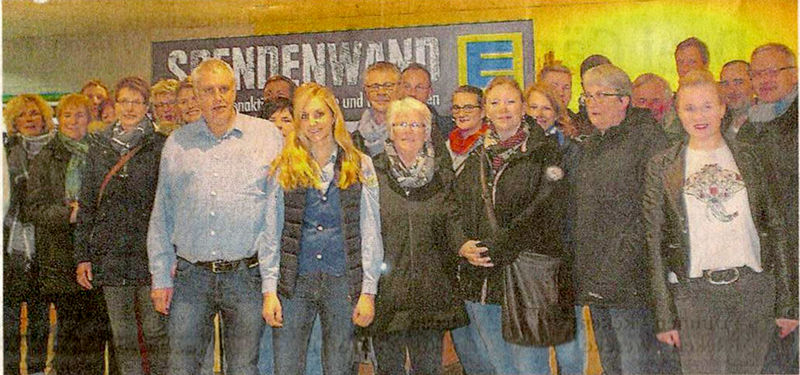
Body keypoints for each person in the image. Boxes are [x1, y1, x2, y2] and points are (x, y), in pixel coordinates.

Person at [645, 69, 798, 373]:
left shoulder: (752, 157)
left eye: (707, 106)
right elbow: (654, 242)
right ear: (678, 111)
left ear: (721, 108)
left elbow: (777, 230)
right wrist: (664, 317)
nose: (699, 115)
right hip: (694, 296)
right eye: (689, 108)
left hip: (752, 291)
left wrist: (788, 303)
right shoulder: (662, 166)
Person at [148, 59, 282, 375]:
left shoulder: (266, 136)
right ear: (195, 95)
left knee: (244, 367)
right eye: (208, 91)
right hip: (191, 278)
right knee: (182, 366)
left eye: (225, 89)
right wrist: (160, 276)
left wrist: (270, 283)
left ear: (235, 91)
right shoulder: (177, 144)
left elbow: (273, 216)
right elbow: (162, 215)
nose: (218, 98)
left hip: (245, 276)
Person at [449, 76, 573, 375]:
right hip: (480, 279)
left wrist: (499, 246)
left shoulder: (545, 152)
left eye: (510, 101)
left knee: (528, 367)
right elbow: (453, 207)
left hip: (524, 278)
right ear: (485, 111)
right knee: (496, 367)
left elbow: (544, 210)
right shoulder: (476, 155)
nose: (503, 109)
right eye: (494, 102)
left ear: (523, 107)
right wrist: (462, 244)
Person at [262, 82, 383, 375]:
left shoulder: (359, 164)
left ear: (333, 117)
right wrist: (269, 290)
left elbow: (370, 233)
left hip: (342, 283)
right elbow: (270, 233)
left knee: (340, 367)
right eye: (304, 116)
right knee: (287, 367)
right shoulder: (283, 167)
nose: (312, 123)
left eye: (319, 114)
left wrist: (368, 292)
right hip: (294, 284)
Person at [570, 64, 677, 374]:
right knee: (610, 360)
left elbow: (653, 213)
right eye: (588, 95)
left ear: (624, 100)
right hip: (596, 273)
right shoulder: (593, 143)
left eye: (602, 95)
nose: (593, 103)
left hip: (631, 277)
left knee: (635, 361)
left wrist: (622, 259)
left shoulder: (647, 140)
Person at [75, 76, 169, 375]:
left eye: (137, 101)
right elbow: (87, 204)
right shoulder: (98, 147)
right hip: (110, 258)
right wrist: (83, 256)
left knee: (155, 332)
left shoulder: (160, 146)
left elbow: (168, 205)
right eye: (124, 101)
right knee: (124, 338)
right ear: (115, 105)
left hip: (149, 257)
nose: (130, 107)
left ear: (147, 107)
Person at [369, 97, 465, 374]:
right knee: (388, 369)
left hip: (430, 294)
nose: (409, 130)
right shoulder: (372, 174)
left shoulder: (443, 177)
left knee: (428, 369)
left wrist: (464, 245)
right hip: (386, 293)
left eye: (416, 124)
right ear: (390, 130)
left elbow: (453, 223)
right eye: (401, 124)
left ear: (427, 131)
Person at [25, 93, 111, 375]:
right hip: (60, 259)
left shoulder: (103, 153)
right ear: (58, 120)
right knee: (70, 336)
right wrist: (69, 214)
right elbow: (34, 209)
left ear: (91, 119)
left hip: (97, 255)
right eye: (68, 115)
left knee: (96, 335)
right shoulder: (46, 157)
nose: (74, 121)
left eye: (81, 115)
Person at [738, 43, 798, 375]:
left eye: (773, 71)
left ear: (794, 73)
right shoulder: (749, 126)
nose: (764, 79)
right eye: (757, 72)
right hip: (763, 261)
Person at [3, 93, 55, 375]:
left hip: (45, 244)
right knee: (9, 318)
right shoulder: (6, 151)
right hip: (11, 246)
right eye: (23, 115)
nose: (30, 119)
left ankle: (36, 370)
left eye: (35, 113)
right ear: (14, 121)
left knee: (39, 317)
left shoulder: (56, 150)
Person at [353, 61, 403, 156]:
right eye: (374, 86)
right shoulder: (355, 138)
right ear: (366, 92)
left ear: (400, 89)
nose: (381, 92)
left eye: (388, 86)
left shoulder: (413, 131)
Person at [538, 52, 592, 135]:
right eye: (554, 87)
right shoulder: (531, 123)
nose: (561, 93)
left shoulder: (582, 125)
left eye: (566, 87)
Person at [400, 63, 453, 136]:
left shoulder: (445, 128)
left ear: (430, 92)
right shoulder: (387, 124)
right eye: (407, 87)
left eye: (419, 87)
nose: (412, 93)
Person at [446, 85, 488, 175]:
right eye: (456, 108)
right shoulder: (446, 145)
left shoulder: (490, 145)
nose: (461, 114)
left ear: (483, 112)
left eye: (468, 108)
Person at [631, 73, 685, 143]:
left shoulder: (682, 131)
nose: (648, 107)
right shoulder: (625, 130)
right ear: (633, 103)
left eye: (655, 101)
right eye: (642, 101)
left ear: (669, 103)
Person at [718, 60, 754, 138]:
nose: (731, 90)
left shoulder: (767, 121)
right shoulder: (715, 122)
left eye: (738, 82)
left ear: (753, 84)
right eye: (725, 84)